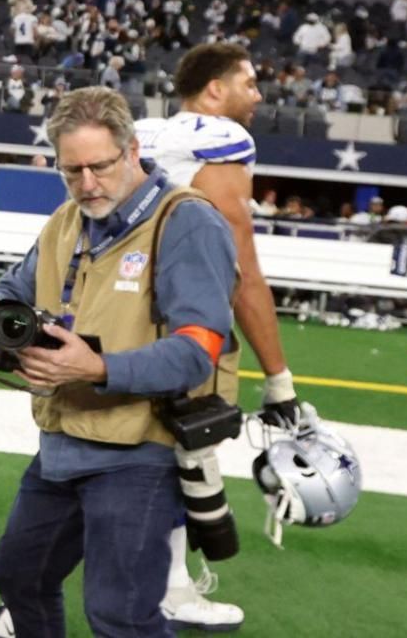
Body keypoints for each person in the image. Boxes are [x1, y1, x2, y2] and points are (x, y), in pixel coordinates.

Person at [0, 88, 237, 638]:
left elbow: (199, 351)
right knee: (20, 576)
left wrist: (96, 369)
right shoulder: (65, 221)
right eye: (72, 171)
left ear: (133, 149)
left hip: (139, 450)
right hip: (62, 443)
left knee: (119, 613)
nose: (87, 184)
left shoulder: (185, 221)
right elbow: (5, 291)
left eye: (100, 166)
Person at [133, 41, 303, 629]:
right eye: (249, 84)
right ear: (214, 90)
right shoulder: (221, 139)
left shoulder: (145, 133)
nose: (257, 97)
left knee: (118, 451)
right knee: (185, 455)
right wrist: (279, 379)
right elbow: (241, 264)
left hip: (122, 313)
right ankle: (172, 590)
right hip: (186, 325)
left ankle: (26, 601)